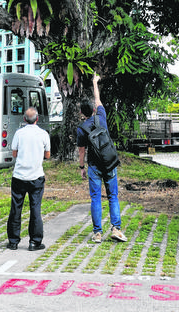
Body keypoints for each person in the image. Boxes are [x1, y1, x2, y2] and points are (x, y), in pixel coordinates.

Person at [77, 73, 127, 244]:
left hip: (94, 166)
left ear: (81, 113)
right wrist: (94, 82)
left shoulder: (82, 129)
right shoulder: (101, 116)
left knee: (96, 198)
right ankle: (116, 229)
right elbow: (98, 100)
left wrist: (81, 168)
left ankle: (97, 233)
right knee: (113, 196)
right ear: (93, 110)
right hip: (110, 162)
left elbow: (82, 151)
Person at [6, 106, 51, 251]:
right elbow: (48, 155)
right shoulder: (43, 134)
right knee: (35, 208)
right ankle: (35, 242)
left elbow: (14, 153)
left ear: (24, 119)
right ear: (37, 119)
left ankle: (13, 241)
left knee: (16, 208)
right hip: (36, 176)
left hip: (19, 176)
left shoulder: (19, 133)